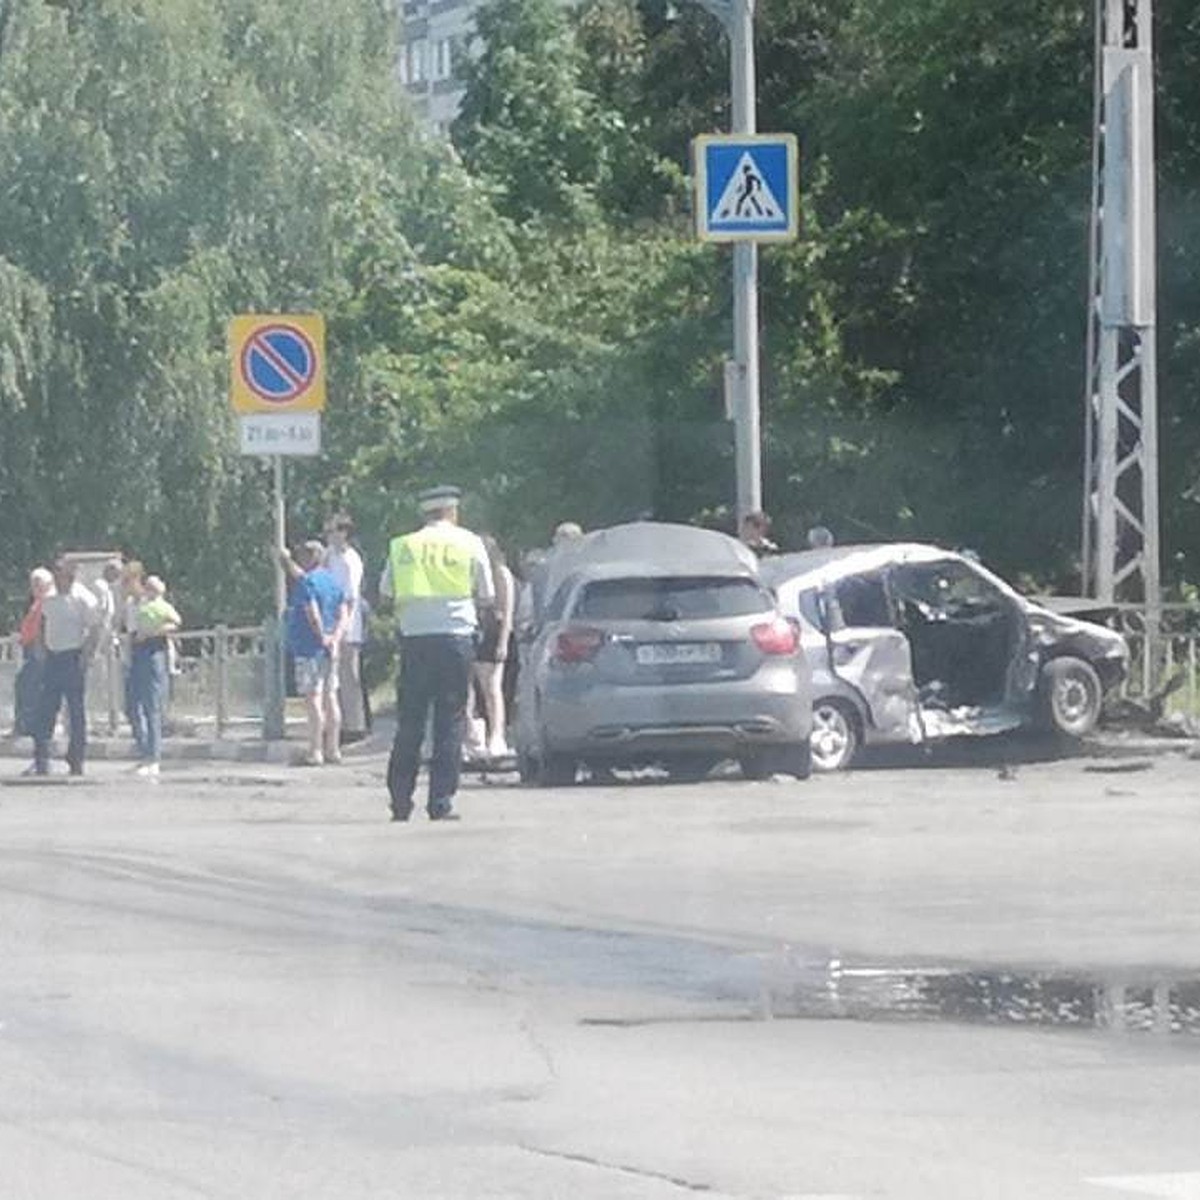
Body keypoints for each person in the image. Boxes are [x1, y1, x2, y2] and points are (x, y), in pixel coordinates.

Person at [380, 485, 494, 822]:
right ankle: (440, 802)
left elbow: (386, 593)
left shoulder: (404, 545)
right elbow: (486, 594)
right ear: (452, 511)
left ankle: (400, 802)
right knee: (450, 720)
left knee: (410, 721)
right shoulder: (469, 542)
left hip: (414, 640)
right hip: (456, 638)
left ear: (424, 512)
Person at [30, 556, 100, 777]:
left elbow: (95, 628)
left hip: (73, 657)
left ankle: (76, 759)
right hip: (52, 657)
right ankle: (42, 758)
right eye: (60, 575)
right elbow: (41, 622)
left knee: (76, 711)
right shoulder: (48, 597)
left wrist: (87, 654)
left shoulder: (83, 598)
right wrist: (40, 646)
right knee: (46, 710)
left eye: (68, 576)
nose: (64, 580)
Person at [284, 539, 349, 766]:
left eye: (303, 555)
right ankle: (334, 748)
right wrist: (336, 638)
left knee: (313, 699)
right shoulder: (333, 582)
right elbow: (343, 613)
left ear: (310, 557)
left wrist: (321, 636)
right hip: (331, 648)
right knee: (331, 696)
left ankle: (316, 750)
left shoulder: (307, 583)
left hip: (309, 647)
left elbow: (311, 611)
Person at [128, 574, 181, 779]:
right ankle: (145, 754)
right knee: (135, 704)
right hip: (138, 652)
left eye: (153, 587)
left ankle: (154, 758)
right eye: (147, 586)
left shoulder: (163, 606)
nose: (149, 590)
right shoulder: (141, 605)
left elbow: (176, 622)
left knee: (152, 707)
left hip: (153, 652)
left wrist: (152, 633)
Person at [467, 534, 515, 760]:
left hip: (495, 631)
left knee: (491, 687)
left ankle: (497, 735)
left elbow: (507, 613)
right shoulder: (473, 573)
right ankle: (475, 736)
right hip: (474, 630)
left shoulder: (502, 574)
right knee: (470, 689)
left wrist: (504, 642)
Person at [322, 512, 367, 744]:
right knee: (333, 678)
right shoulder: (329, 556)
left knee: (349, 676)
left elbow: (350, 596)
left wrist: (342, 628)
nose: (328, 536)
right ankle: (335, 724)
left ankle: (355, 725)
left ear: (344, 533)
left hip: (347, 626)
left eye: (332, 531)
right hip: (329, 624)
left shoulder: (351, 560)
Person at [12, 567, 54, 739]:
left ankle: (30, 725)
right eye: (33, 583)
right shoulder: (35, 602)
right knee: (25, 686)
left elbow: (43, 627)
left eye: (38, 583)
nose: (34, 587)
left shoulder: (47, 602)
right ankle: (25, 724)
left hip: (39, 650)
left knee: (31, 687)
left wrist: (39, 646)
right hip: (30, 648)